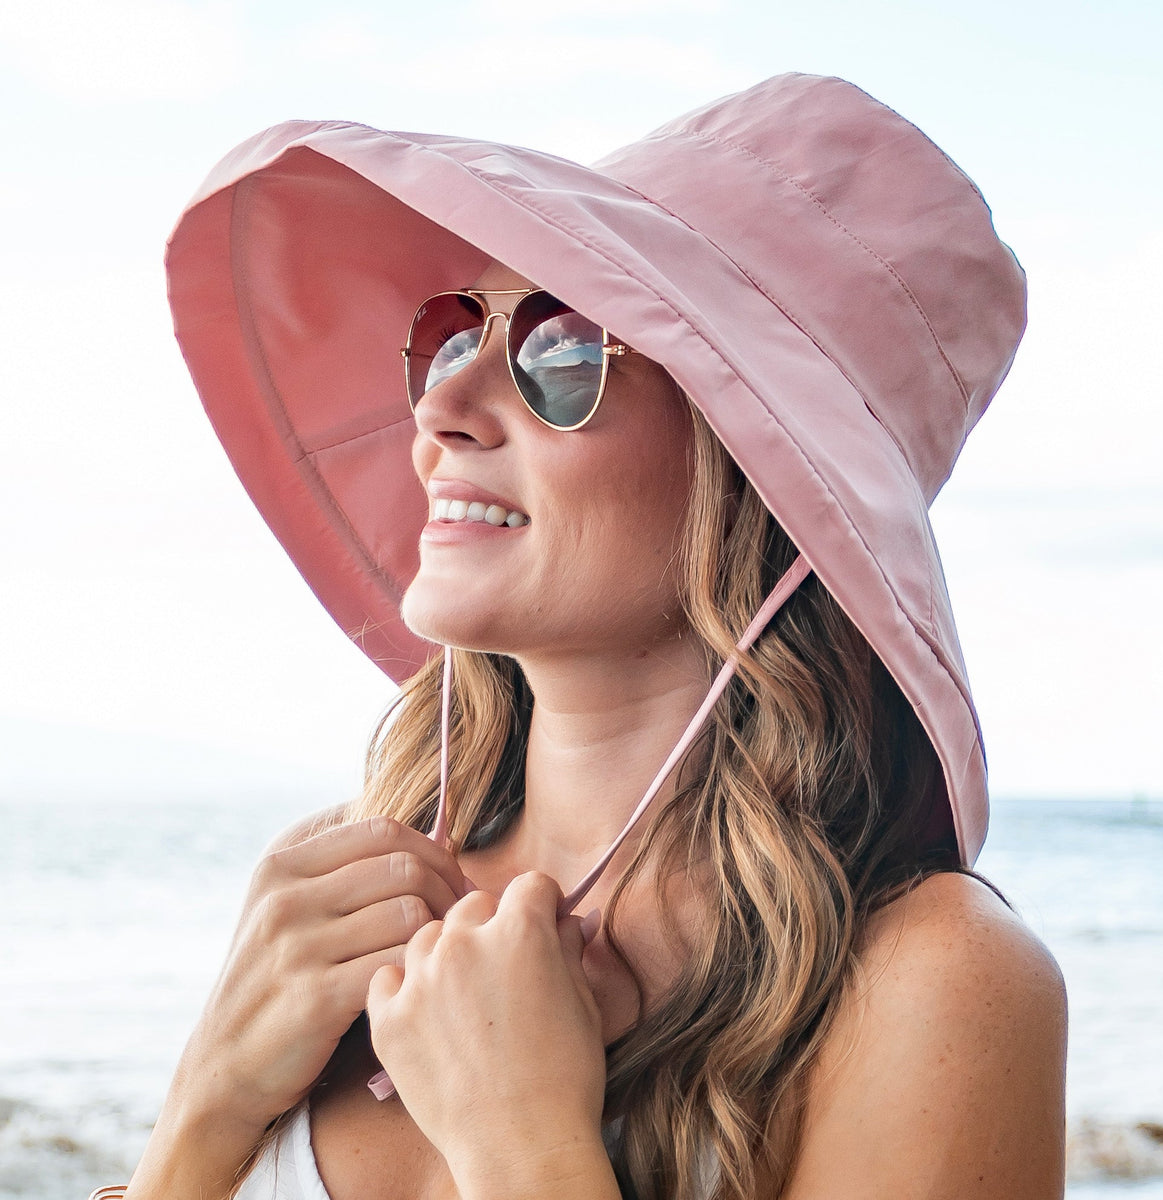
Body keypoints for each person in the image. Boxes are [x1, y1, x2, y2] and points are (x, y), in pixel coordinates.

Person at [111, 74, 1067, 1200]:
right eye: (452, 337)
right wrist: (201, 1113)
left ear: (756, 470)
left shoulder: (933, 983)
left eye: (560, 353)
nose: (440, 410)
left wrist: (525, 1146)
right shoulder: (346, 882)